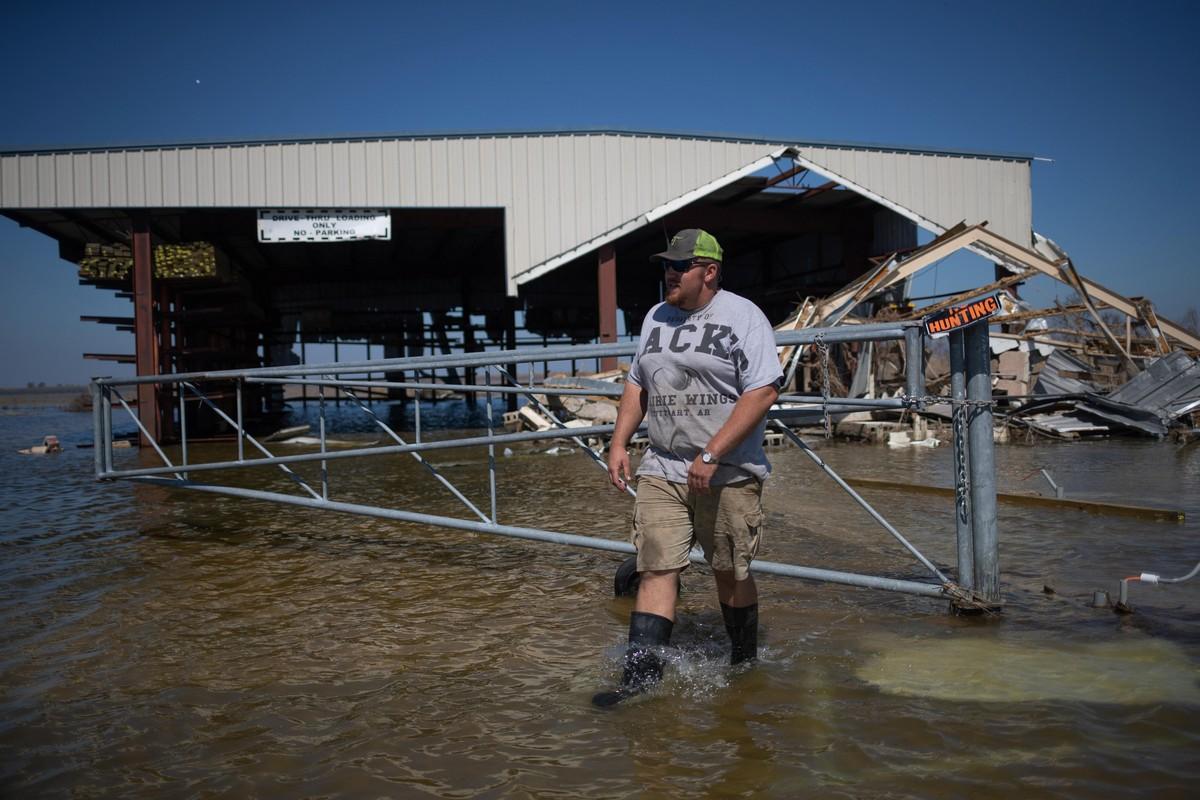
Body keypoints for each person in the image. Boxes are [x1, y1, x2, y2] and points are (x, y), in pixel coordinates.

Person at [593, 229, 783, 707]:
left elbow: (762, 390)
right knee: (656, 566)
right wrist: (618, 443)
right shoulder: (656, 317)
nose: (670, 275)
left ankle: (743, 664)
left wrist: (712, 453)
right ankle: (639, 681)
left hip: (728, 471)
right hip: (662, 467)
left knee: (729, 570)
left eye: (680, 266)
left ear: (710, 271)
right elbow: (638, 384)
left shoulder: (744, 317)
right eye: (666, 266)